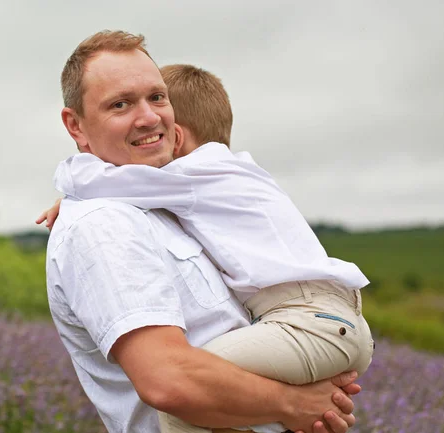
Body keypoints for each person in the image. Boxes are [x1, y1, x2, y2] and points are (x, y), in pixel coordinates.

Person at [44, 30, 362, 433]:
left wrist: (313, 405)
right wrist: (291, 404)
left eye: (157, 97)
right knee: (180, 410)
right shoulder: (103, 224)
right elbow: (169, 380)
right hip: (323, 318)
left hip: (315, 318)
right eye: (120, 104)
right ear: (76, 126)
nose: (148, 117)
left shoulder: (168, 202)